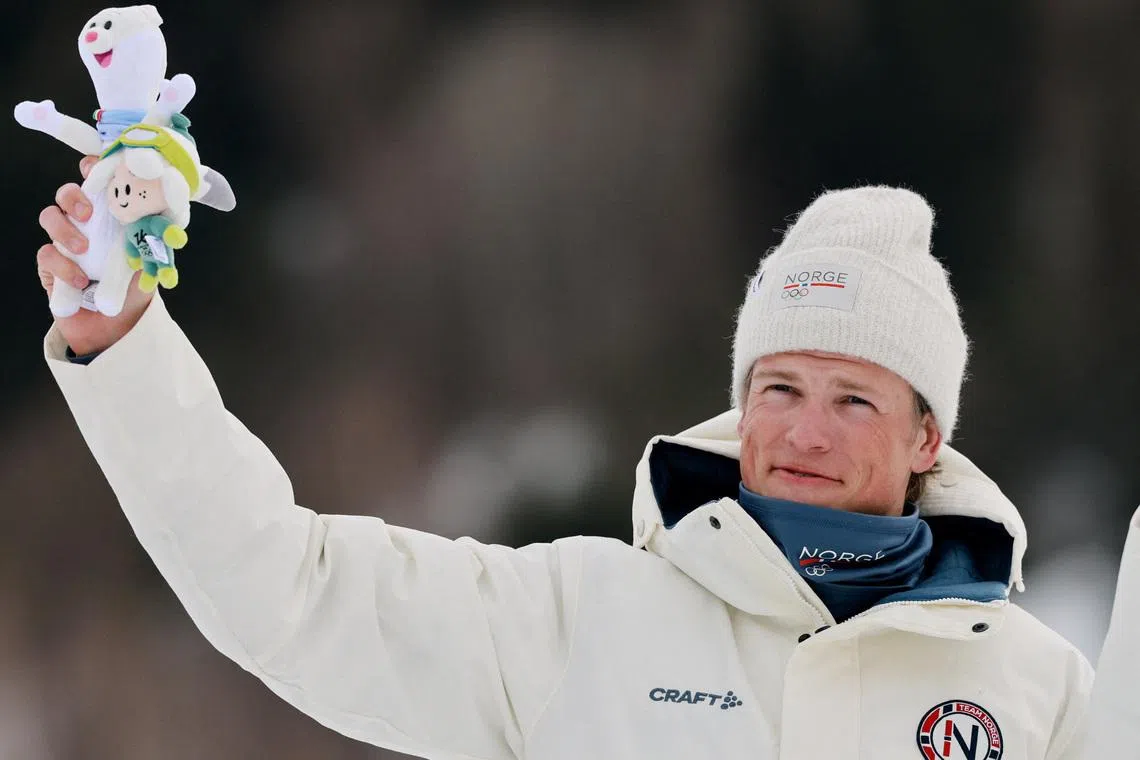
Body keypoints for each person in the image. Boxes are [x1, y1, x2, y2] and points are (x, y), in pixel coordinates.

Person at [35, 160, 1138, 758]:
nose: (804, 432)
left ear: (926, 437)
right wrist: (124, 351)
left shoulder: (1029, 690)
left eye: (854, 399)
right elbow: (290, 586)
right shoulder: (579, 618)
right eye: (779, 389)